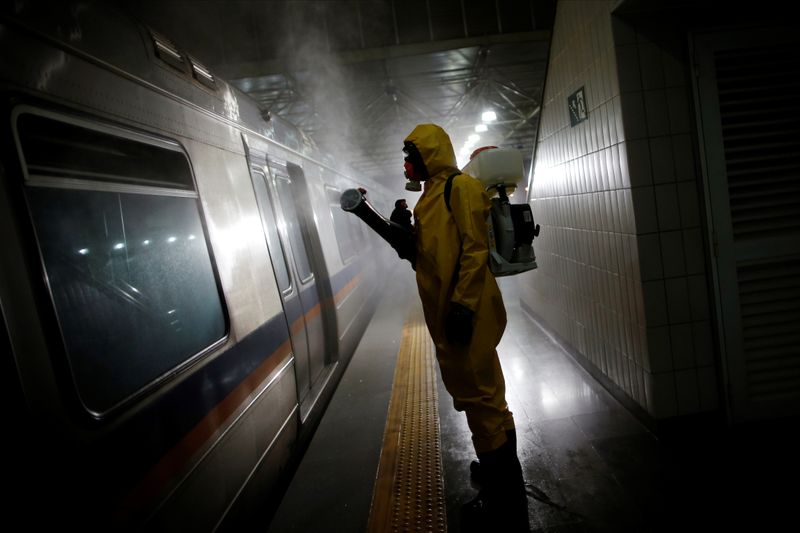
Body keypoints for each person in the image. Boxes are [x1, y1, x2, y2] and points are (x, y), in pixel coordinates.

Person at [402, 123, 529, 531]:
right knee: (487, 400)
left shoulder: (459, 189)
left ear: (430, 155)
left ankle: (503, 502)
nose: (408, 165)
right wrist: (404, 236)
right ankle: (503, 480)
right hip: (452, 314)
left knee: (481, 403)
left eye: (414, 156)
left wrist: (460, 306)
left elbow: (474, 251)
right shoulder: (430, 198)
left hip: (466, 314)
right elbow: (433, 256)